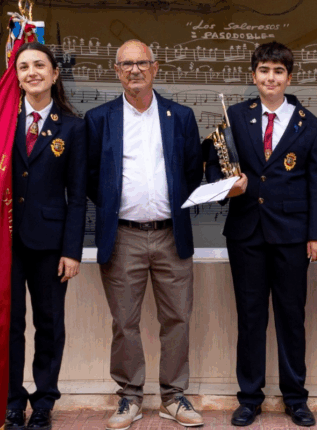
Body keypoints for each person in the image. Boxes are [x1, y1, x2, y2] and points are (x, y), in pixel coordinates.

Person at [205, 41, 317, 427]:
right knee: (250, 317)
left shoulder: (311, 124)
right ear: (253, 74)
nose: (270, 78)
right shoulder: (235, 117)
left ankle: (295, 398)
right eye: (263, 70)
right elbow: (215, 165)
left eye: (278, 71)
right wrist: (227, 185)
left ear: (289, 77)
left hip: (292, 235)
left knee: (292, 317)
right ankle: (249, 398)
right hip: (246, 233)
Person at [85, 40, 204, 430]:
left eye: (142, 63)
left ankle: (173, 396)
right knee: (125, 321)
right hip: (123, 236)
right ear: (116, 71)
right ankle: (130, 396)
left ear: (155, 67)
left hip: (171, 234)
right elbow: (91, 178)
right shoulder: (99, 119)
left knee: (178, 318)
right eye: (126, 64)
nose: (134, 70)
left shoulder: (180, 116)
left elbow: (192, 171)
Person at [6, 42, 87, 430]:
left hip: (51, 244)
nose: (31, 72)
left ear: (54, 74)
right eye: (23, 67)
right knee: (9, 325)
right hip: (6, 243)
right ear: (17, 78)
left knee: (49, 324)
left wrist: (72, 251)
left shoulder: (73, 127)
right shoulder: (2, 123)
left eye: (39, 65)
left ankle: (43, 401)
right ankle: (12, 401)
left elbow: (78, 195)